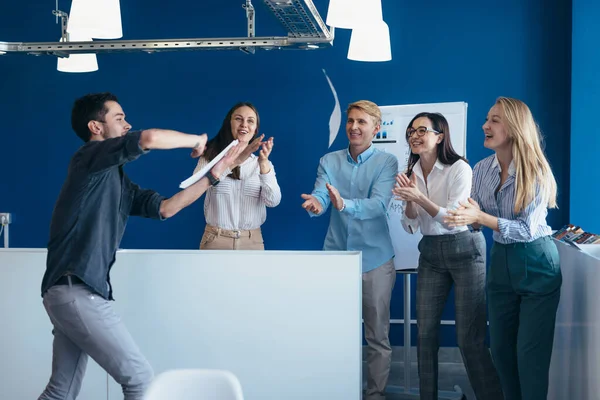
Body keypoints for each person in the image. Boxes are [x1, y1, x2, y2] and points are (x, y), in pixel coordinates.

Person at [38, 92, 246, 400]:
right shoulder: (88, 158)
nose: (127, 124)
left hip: (68, 293)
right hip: (76, 290)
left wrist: (213, 176)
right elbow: (147, 138)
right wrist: (197, 140)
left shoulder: (117, 182)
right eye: (119, 118)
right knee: (140, 380)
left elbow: (167, 208)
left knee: (61, 391)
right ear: (96, 127)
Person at [445, 97, 562, 400]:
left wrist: (480, 217)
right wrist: (465, 217)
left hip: (536, 262)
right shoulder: (482, 169)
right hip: (500, 264)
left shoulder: (536, 171)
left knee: (529, 356)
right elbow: (475, 221)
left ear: (514, 127)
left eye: (495, 120)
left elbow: (525, 229)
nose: (485, 125)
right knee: (500, 351)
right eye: (487, 118)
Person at [393, 112, 503, 400]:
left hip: (465, 248)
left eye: (421, 130)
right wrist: (409, 202)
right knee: (425, 335)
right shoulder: (411, 172)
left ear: (439, 136)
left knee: (469, 339)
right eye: (410, 131)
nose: (414, 136)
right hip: (429, 252)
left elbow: (454, 218)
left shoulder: (460, 169)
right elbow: (410, 225)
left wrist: (419, 198)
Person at [301, 100, 398, 400]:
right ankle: (337, 389)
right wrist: (318, 204)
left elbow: (380, 205)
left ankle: (374, 394)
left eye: (362, 122)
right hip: (336, 258)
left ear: (376, 128)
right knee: (334, 331)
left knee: (376, 335)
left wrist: (345, 204)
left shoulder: (387, 162)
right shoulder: (329, 160)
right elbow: (321, 192)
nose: (354, 127)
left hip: (375, 260)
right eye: (350, 121)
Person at [192, 102, 281, 250]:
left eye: (250, 121)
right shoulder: (210, 158)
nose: (244, 124)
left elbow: (273, 201)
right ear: (229, 124)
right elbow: (194, 189)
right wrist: (228, 164)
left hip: (252, 241)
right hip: (215, 239)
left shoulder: (262, 164)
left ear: (255, 130)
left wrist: (263, 163)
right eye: (239, 119)